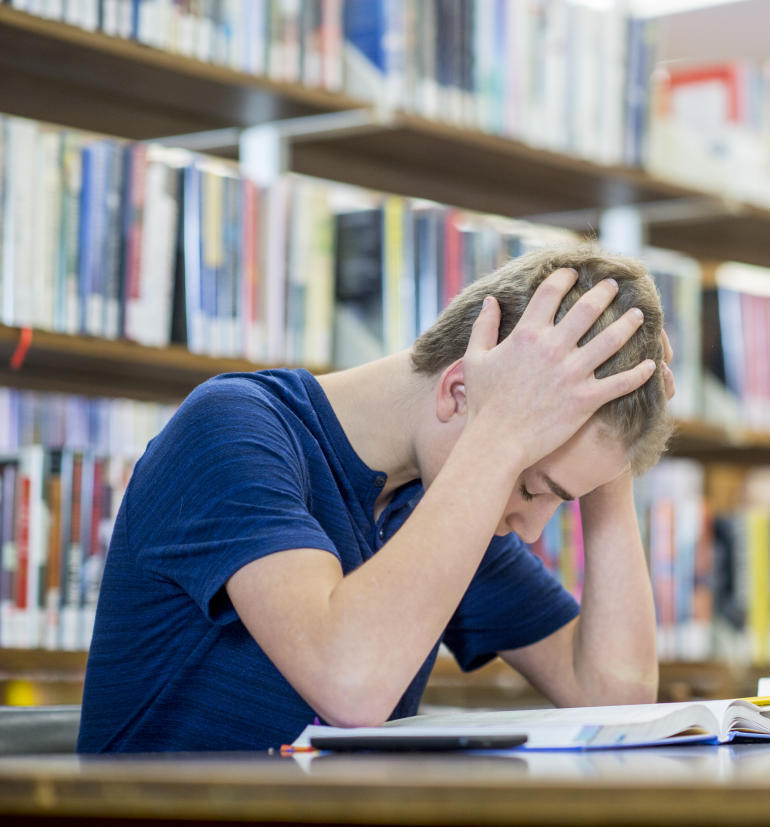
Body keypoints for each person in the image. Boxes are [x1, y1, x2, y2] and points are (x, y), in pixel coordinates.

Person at [77, 244, 674, 752]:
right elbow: (352, 684)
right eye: (529, 486)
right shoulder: (232, 430)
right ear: (458, 390)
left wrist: (609, 461)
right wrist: (502, 437)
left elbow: (611, 698)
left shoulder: (434, 497)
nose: (529, 529)